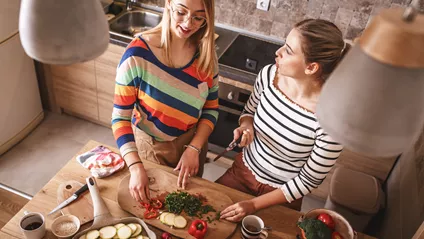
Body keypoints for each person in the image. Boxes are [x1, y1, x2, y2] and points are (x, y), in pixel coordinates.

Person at [217, 19, 351, 222]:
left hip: (282, 195)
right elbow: (249, 111)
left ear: (311, 67)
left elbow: (308, 180)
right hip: (241, 173)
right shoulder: (269, 75)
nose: (277, 52)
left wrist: (254, 205)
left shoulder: (332, 121)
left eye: (288, 50)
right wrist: (246, 126)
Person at [112, 0, 218, 203]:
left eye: (198, 17)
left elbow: (211, 109)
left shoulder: (206, 54)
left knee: (187, 205)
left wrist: (194, 148)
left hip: (192, 145)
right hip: (152, 147)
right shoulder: (137, 55)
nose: (188, 23)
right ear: (168, 4)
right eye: (181, 12)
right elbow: (119, 119)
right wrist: (135, 167)